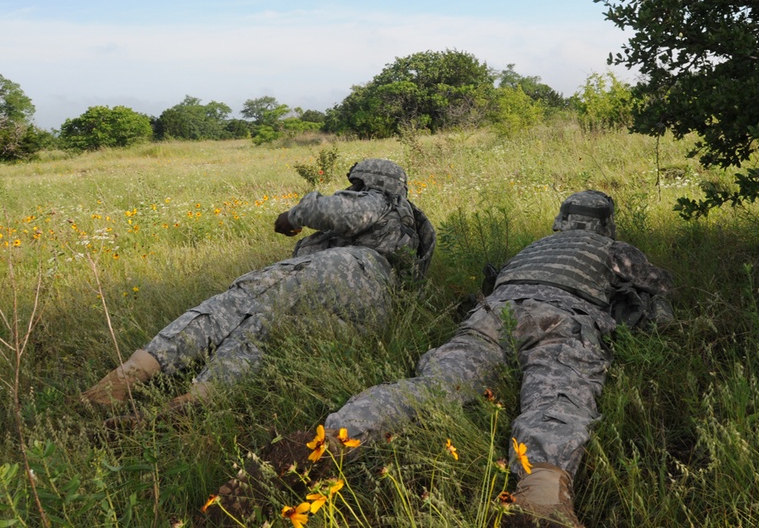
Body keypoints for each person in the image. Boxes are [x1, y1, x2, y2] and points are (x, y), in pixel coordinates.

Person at [215, 190, 671, 528]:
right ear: (606, 224)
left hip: (496, 312)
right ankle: (541, 495)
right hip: (563, 315)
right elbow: (657, 295)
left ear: (561, 220)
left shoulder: (533, 246)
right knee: (557, 392)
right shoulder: (613, 250)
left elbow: (491, 288)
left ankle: (326, 439)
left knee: (436, 387)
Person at [79, 158, 436, 410]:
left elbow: (338, 211)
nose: (351, 188)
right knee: (268, 326)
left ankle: (124, 381)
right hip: (370, 315)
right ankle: (203, 397)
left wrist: (293, 217)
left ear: (370, 181)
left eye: (354, 183)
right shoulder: (411, 230)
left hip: (350, 267)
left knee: (239, 300)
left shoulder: (380, 200)